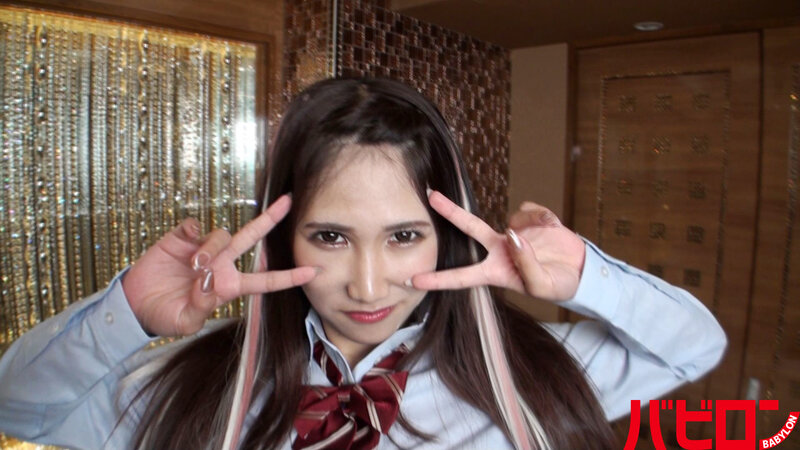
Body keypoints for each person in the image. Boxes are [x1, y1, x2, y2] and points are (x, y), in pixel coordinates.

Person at [0, 78, 726, 449]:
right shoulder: (196, 388)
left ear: (446, 237)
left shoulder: (525, 371)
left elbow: (694, 347)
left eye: (404, 235)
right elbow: (19, 407)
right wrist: (127, 311)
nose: (369, 285)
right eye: (331, 237)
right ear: (284, 239)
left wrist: (588, 276)